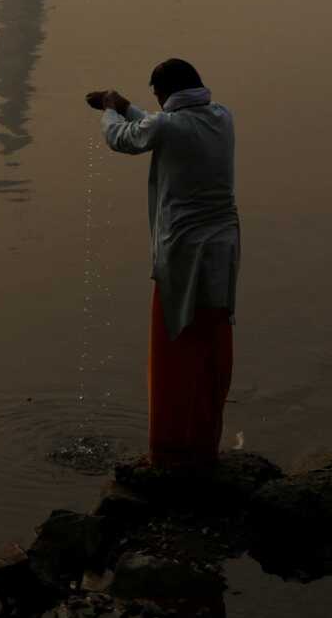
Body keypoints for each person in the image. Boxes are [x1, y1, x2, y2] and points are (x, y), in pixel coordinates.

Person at [85, 59, 239, 470]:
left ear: (164, 92)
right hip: (222, 253)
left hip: (183, 256)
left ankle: (172, 452)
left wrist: (110, 108)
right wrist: (130, 106)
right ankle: (204, 446)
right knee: (211, 346)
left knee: (175, 347)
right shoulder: (222, 117)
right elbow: (160, 126)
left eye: (155, 96)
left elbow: (125, 139)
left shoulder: (168, 126)